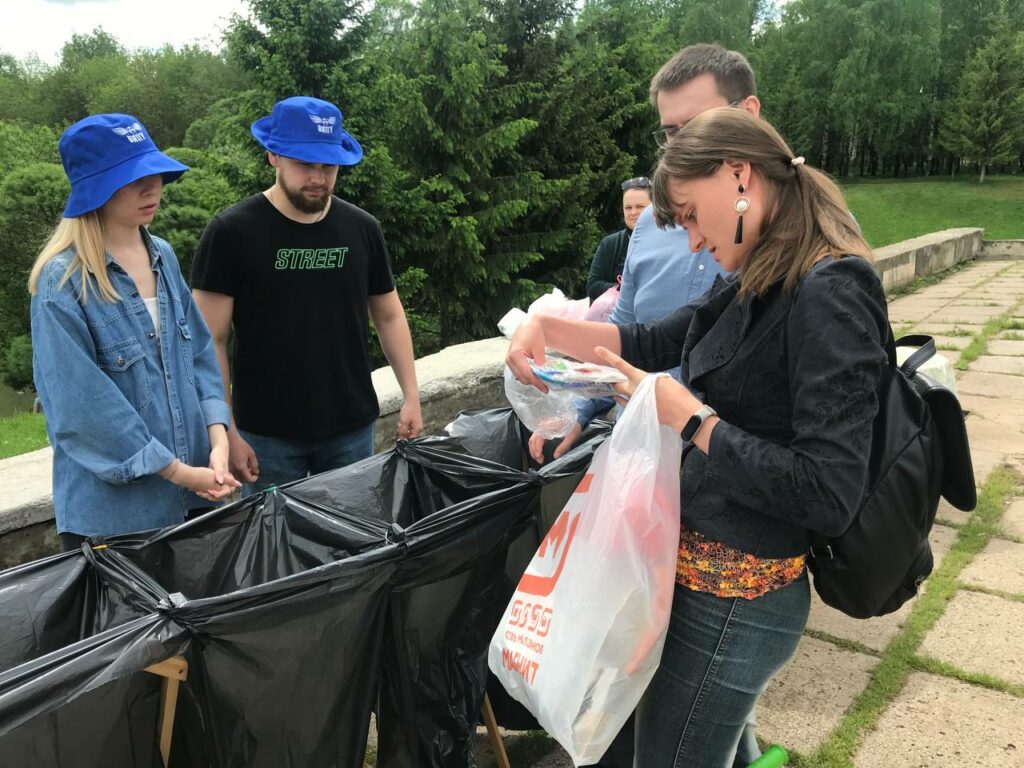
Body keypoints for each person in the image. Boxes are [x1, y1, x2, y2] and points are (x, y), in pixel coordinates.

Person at [507, 108, 886, 767]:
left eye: (687, 215)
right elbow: (656, 340)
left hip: (738, 600)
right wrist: (544, 329)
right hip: (699, 579)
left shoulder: (832, 290)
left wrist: (692, 420)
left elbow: (828, 491)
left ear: (738, 174)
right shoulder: (764, 273)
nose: (689, 241)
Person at [531, 43, 756, 466]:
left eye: (698, 125)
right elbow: (639, 340)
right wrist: (579, 407)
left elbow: (823, 474)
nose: (682, 147)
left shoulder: (803, 253)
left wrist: (691, 422)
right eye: (672, 133)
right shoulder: (651, 224)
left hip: (730, 485)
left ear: (748, 115)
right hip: (638, 455)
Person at [28, 114, 239, 551]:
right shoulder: (63, 283)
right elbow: (81, 409)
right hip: (116, 523)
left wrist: (217, 442)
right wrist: (179, 472)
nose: (153, 188)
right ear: (94, 189)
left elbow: (199, 355)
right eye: (133, 179)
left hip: (196, 502)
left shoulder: (161, 255)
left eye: (155, 174)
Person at [191, 96, 423, 494]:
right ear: (273, 157)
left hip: (351, 428)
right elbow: (209, 339)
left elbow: (388, 315)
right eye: (304, 163)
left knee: (356, 544)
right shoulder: (231, 233)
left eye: (327, 165)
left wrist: (412, 396)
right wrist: (227, 430)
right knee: (277, 552)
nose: (318, 176)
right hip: (265, 437)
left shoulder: (362, 228)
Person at [585, 176, 652, 302]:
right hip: (616, 318)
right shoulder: (610, 244)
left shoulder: (668, 242)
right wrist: (624, 289)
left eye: (639, 207)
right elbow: (593, 286)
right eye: (628, 207)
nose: (633, 212)